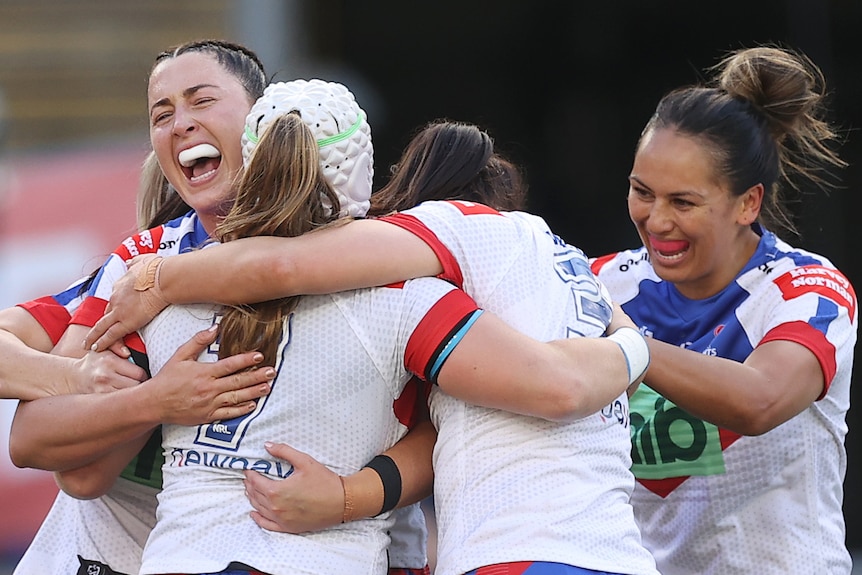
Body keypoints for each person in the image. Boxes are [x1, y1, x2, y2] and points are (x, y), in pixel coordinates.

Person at [87, 118, 660, 575]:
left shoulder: (446, 239)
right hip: (613, 551)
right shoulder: (569, 267)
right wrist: (635, 347)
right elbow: (601, 375)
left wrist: (157, 278)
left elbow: (287, 265)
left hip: (517, 549)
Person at [5, 40, 277, 575]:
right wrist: (96, 382)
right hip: (103, 558)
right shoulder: (137, 264)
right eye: (162, 113)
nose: (180, 124)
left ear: (265, 118)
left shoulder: (347, 256)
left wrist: (355, 495)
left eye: (201, 101)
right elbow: (59, 460)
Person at [588, 46, 855, 574]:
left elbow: (759, 401)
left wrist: (627, 346)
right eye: (642, 192)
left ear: (748, 204)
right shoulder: (600, 284)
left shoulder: (807, 289)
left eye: (683, 203)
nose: (656, 220)